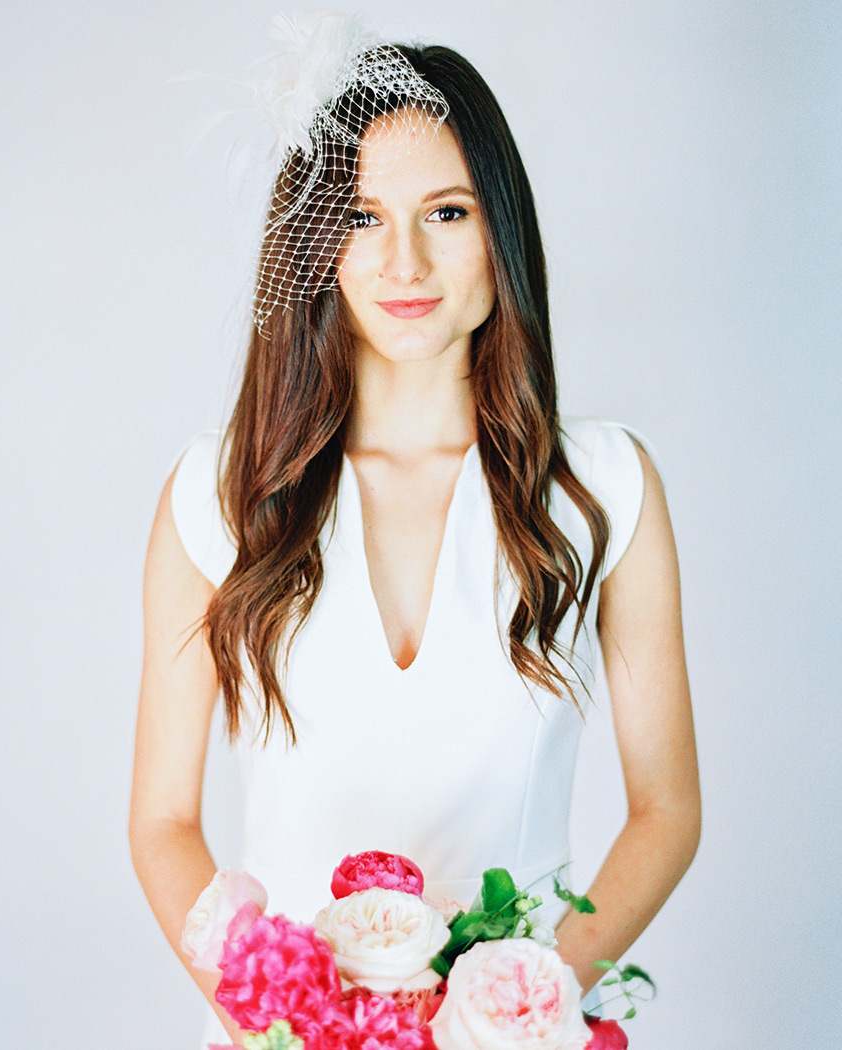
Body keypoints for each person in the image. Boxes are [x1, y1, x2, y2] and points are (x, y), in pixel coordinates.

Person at [129, 20, 700, 1047]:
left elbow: (666, 808)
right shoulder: (216, 495)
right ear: (316, 244)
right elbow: (162, 824)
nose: (405, 259)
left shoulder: (606, 488)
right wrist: (287, 1026)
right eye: (360, 215)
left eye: (446, 211)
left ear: (500, 232)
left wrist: (516, 1016)